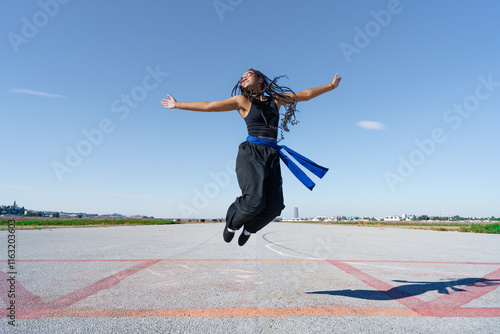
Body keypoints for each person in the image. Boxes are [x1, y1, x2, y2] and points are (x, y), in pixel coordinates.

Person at [161, 69, 342, 246]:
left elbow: (306, 94)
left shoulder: (276, 100)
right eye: (241, 77)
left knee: (275, 206)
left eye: (248, 74)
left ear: (260, 79)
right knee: (254, 201)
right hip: (251, 153)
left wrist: (331, 86)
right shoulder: (242, 101)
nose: (243, 78)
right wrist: (177, 104)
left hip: (271, 155)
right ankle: (232, 223)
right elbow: (209, 106)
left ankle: (249, 229)